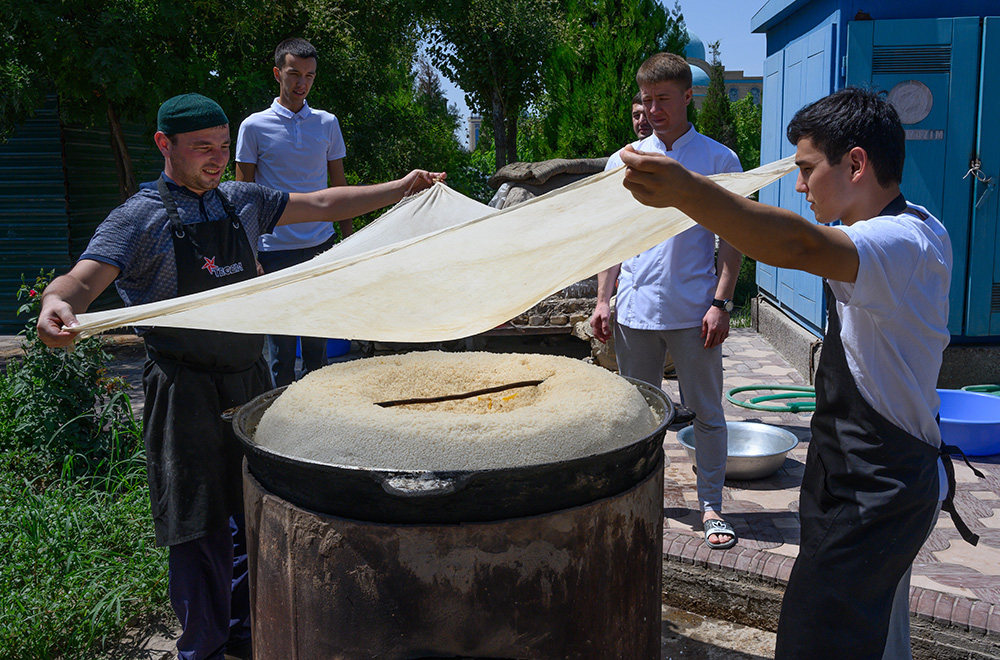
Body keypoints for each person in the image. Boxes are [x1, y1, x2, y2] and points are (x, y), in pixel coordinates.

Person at [37, 93, 443, 660]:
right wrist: (56, 303)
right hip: (183, 390)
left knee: (254, 508)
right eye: (202, 147)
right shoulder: (138, 219)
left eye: (223, 147)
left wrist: (399, 189)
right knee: (196, 521)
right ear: (164, 145)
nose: (216, 159)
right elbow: (80, 283)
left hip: (248, 383)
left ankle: (252, 634)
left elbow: (323, 201)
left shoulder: (240, 202)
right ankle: (202, 645)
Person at [620, 86, 979, 659]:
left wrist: (688, 192)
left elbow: (796, 243)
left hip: (877, 490)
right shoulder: (915, 225)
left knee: (816, 642)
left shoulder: (900, 243)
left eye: (808, 169)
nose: (799, 184)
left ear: (856, 164)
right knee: (878, 639)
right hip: (863, 472)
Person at [590, 52, 743, 549]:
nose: (654, 109)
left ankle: (712, 505)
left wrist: (720, 303)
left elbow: (732, 239)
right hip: (635, 309)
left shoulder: (718, 160)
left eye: (663, 100)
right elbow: (610, 240)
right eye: (647, 100)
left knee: (706, 412)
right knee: (636, 414)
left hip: (694, 311)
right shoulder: (625, 161)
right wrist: (603, 299)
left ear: (687, 96)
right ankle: (640, 499)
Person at [236, 37, 351, 387]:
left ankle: (317, 425)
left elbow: (340, 188)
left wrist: (350, 243)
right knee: (282, 351)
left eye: (310, 76)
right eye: (294, 74)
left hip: (321, 246)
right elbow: (244, 196)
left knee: (319, 348)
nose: (302, 83)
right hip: (275, 251)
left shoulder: (327, 123)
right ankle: (279, 425)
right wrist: (248, 253)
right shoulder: (253, 127)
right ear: (277, 74)